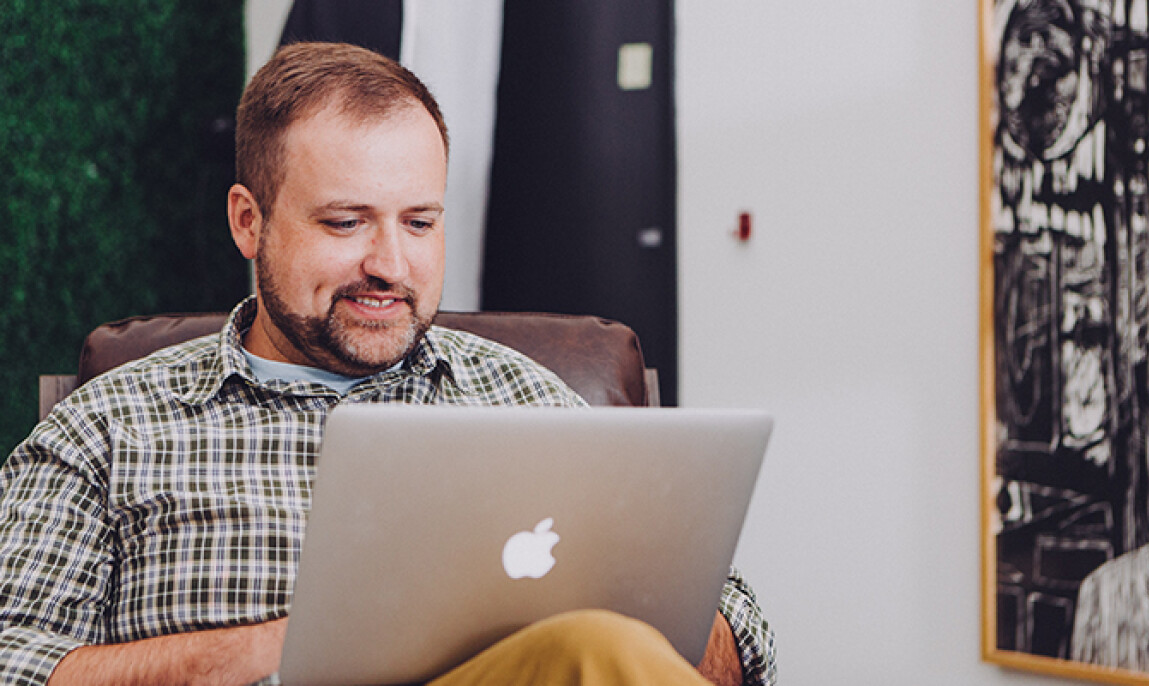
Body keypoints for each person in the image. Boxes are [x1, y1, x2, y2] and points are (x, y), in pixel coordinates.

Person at [0, 42, 775, 686]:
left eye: (420, 222)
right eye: (345, 222)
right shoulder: (110, 426)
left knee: (605, 651)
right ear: (249, 221)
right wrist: (292, 647)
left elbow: (742, 638)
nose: (391, 263)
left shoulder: (524, 399)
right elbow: (13, 657)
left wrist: (617, 611)